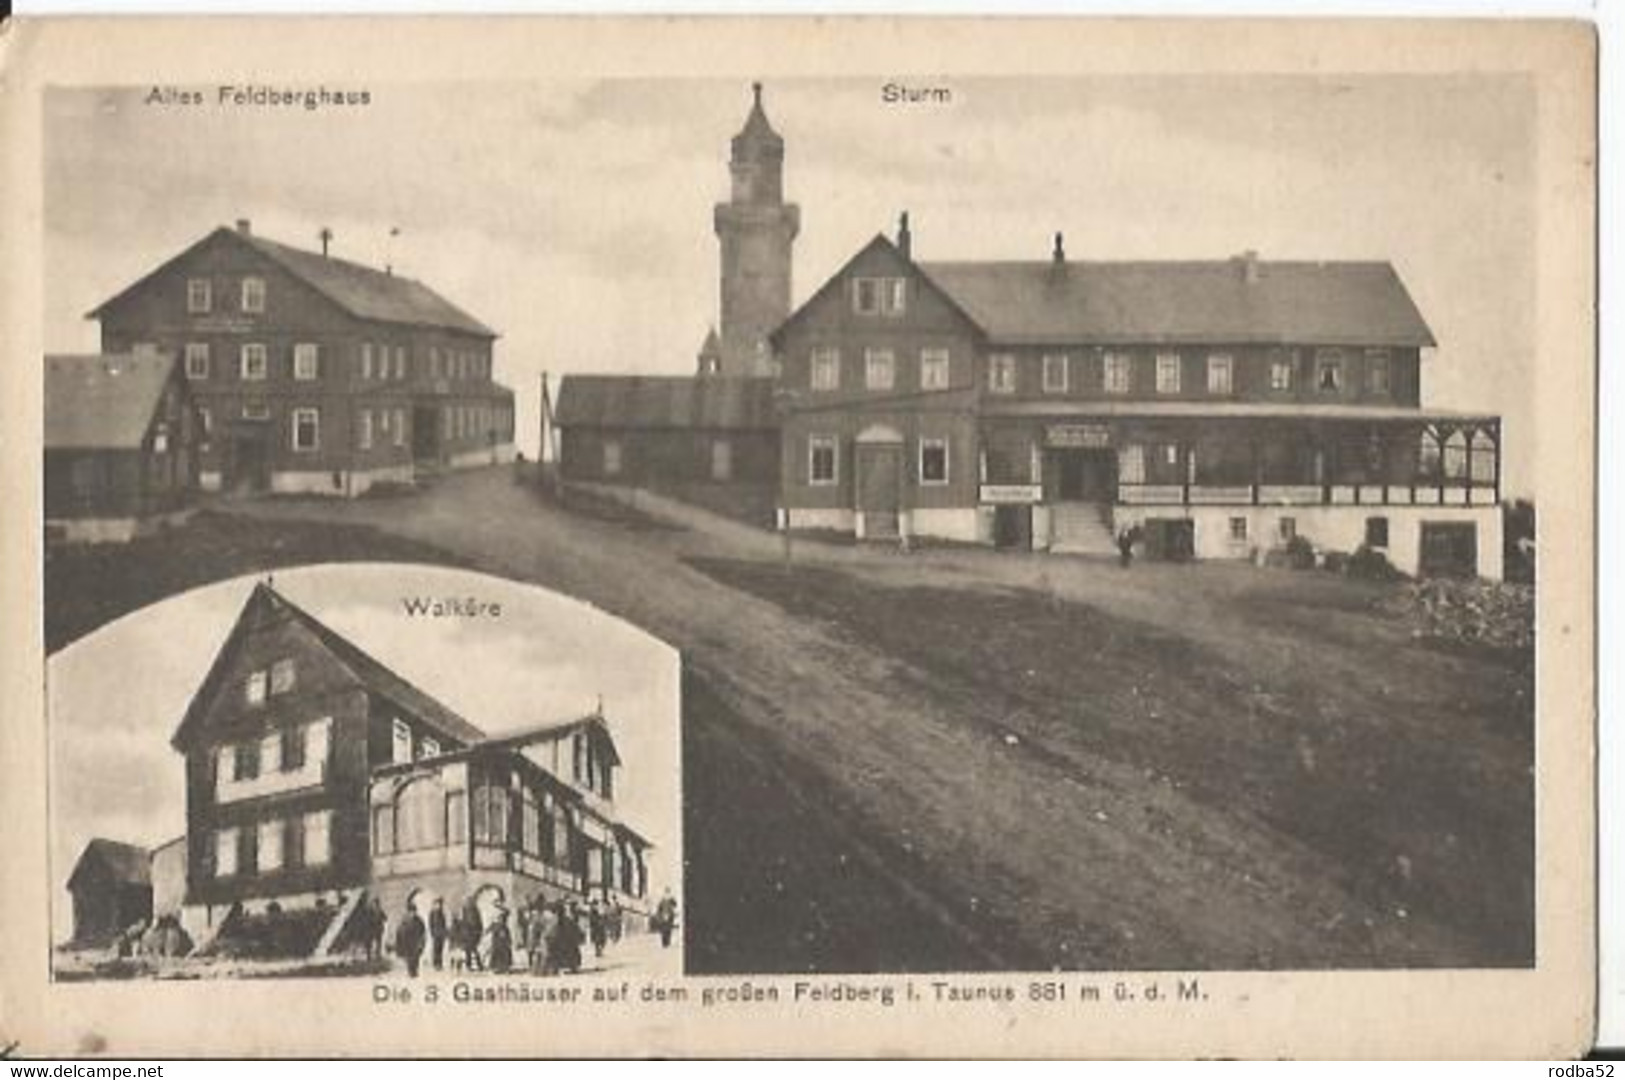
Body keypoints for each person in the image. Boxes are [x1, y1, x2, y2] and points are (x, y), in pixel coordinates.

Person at [394, 899, 427, 978]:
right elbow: (400, 930)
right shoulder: (405, 920)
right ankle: (411, 971)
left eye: (414, 911)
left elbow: (423, 930)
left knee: (416, 957)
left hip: (416, 941)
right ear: (408, 912)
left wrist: (422, 941)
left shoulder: (419, 920)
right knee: (409, 957)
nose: (413, 913)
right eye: (411, 911)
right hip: (407, 942)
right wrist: (399, 941)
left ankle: (414, 970)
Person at [461, 897, 484, 972]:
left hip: (472, 933)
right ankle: (473, 965)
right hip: (468, 933)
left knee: (472, 950)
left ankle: (477, 965)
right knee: (470, 950)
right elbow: (464, 923)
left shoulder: (474, 911)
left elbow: (478, 923)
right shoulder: (465, 911)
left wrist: (479, 931)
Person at [487, 909, 514, 974]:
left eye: (502, 919)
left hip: (503, 944)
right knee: (496, 955)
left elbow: (507, 936)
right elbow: (488, 930)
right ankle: (495, 968)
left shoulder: (504, 927)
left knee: (504, 955)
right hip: (496, 944)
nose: (501, 920)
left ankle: (504, 968)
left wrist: (509, 942)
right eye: (500, 919)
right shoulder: (495, 925)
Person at [428, 898, 448, 971]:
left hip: (441, 934)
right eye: (438, 904)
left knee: (440, 949)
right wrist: (432, 933)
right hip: (436, 934)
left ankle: (439, 963)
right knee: (436, 949)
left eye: (440, 904)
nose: (439, 906)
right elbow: (430, 924)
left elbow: (444, 924)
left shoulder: (441, 913)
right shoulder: (432, 913)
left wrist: (445, 933)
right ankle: (435, 964)